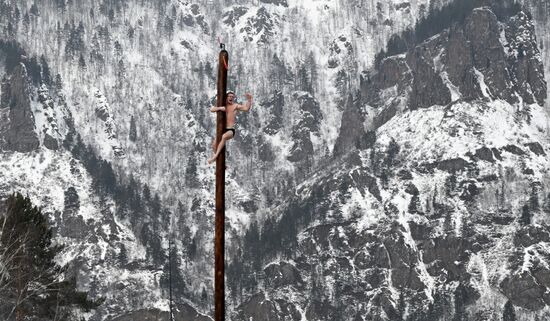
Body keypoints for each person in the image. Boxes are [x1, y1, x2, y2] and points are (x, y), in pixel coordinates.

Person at [208, 91, 253, 164]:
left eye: (232, 97)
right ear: (226, 97)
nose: (231, 98)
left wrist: (249, 99)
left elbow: (246, 108)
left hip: (230, 129)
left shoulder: (235, 106)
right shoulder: (223, 105)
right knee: (214, 144)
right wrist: (220, 108)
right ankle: (221, 162)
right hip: (222, 129)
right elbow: (211, 109)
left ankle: (215, 157)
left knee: (224, 136)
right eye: (230, 96)